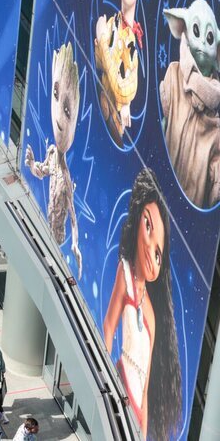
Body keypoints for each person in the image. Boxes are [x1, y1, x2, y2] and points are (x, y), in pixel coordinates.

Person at [102, 168, 180, 440]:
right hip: (120, 384)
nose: (151, 252)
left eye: (159, 254)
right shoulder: (123, 272)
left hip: (136, 407)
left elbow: (146, 390)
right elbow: (109, 327)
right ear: (137, 221)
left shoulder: (153, 314)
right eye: (148, 226)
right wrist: (104, 380)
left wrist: (143, 434)